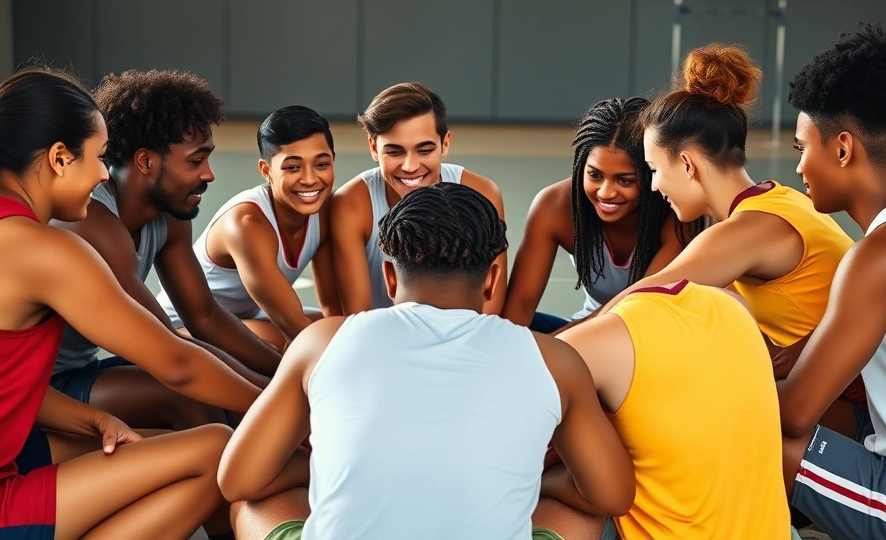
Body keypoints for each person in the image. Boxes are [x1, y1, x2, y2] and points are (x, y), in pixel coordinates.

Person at [0, 68, 248, 539]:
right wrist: (291, 413)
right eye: (96, 157)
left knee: (164, 449)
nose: (100, 174)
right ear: (58, 158)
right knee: (215, 450)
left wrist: (92, 418)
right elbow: (177, 364)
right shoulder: (42, 249)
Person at [217, 183, 635, 540]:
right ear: (491, 279)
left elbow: (237, 479)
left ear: (390, 277)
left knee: (252, 504)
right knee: (585, 512)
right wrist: (524, 481)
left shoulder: (323, 341)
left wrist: (339, 469)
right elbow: (613, 496)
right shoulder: (555, 360)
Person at [590, 45, 863, 438]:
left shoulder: (747, 230)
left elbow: (635, 302)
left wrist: (548, 359)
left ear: (686, 164)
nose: (653, 186)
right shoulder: (780, 199)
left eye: (653, 169)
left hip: (855, 412)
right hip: (838, 393)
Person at [779, 22, 886, 539]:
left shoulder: (880, 256)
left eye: (804, 146)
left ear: (843, 149)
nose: (800, 165)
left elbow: (792, 412)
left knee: (745, 428)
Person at [50, 69, 278, 430]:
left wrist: (287, 376)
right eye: (195, 161)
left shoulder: (170, 215)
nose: (209, 174)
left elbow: (205, 318)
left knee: (235, 378)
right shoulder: (92, 220)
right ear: (145, 162)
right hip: (44, 394)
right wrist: (282, 401)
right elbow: (167, 347)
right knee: (195, 396)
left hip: (86, 370)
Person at [549, 280, 791, 539]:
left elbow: (606, 495)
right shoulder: (735, 305)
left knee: (549, 507)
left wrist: (543, 483)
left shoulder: (571, 352)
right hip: (773, 532)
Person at [502, 97, 701, 333]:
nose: (606, 192)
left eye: (625, 180)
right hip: (587, 328)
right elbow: (520, 307)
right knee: (497, 327)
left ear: (651, 174)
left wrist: (555, 348)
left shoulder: (678, 215)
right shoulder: (554, 206)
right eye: (595, 175)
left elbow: (635, 310)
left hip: (653, 336)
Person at [157, 105, 341, 351]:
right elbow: (293, 326)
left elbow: (333, 308)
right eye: (292, 167)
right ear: (266, 171)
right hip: (183, 329)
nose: (310, 179)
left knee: (331, 326)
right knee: (283, 343)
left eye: (321, 165)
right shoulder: (246, 222)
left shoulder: (327, 210)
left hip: (247, 318)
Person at [331, 82, 508, 314]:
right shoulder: (351, 204)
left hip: (465, 339)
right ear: (373, 147)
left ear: (445, 144)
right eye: (394, 152)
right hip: (384, 340)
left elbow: (490, 310)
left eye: (425, 151)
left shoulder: (482, 194)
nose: (410, 166)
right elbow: (357, 315)